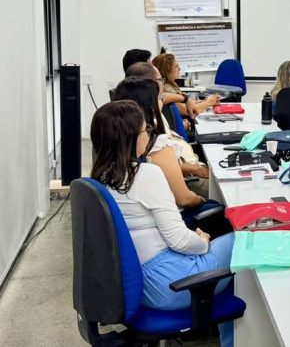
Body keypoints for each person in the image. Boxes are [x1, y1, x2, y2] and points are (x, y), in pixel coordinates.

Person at [89, 100, 234, 346]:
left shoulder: (100, 177)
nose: (148, 135)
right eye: (146, 130)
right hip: (169, 283)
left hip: (134, 284)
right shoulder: (145, 174)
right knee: (245, 240)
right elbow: (178, 240)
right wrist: (202, 242)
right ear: (132, 138)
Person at [113, 77, 213, 220]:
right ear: (150, 104)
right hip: (175, 216)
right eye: (159, 98)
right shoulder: (155, 142)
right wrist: (204, 201)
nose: (163, 101)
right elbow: (185, 200)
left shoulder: (118, 135)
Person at [152, 53, 220, 117]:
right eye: (176, 66)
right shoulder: (165, 88)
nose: (179, 69)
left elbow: (189, 102)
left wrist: (205, 100)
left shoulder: (171, 84)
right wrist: (209, 102)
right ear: (167, 70)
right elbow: (190, 110)